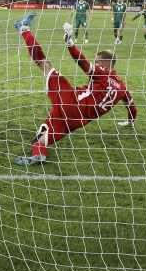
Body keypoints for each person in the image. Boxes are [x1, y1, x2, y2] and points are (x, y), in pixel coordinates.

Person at [13, 12, 136, 167]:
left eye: (97, 62)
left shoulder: (103, 74)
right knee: (40, 140)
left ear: (105, 65)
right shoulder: (123, 88)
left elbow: (83, 63)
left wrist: (70, 43)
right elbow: (132, 107)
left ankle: (23, 28)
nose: (95, 64)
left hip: (71, 102)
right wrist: (130, 121)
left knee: (45, 65)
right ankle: (38, 155)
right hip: (76, 121)